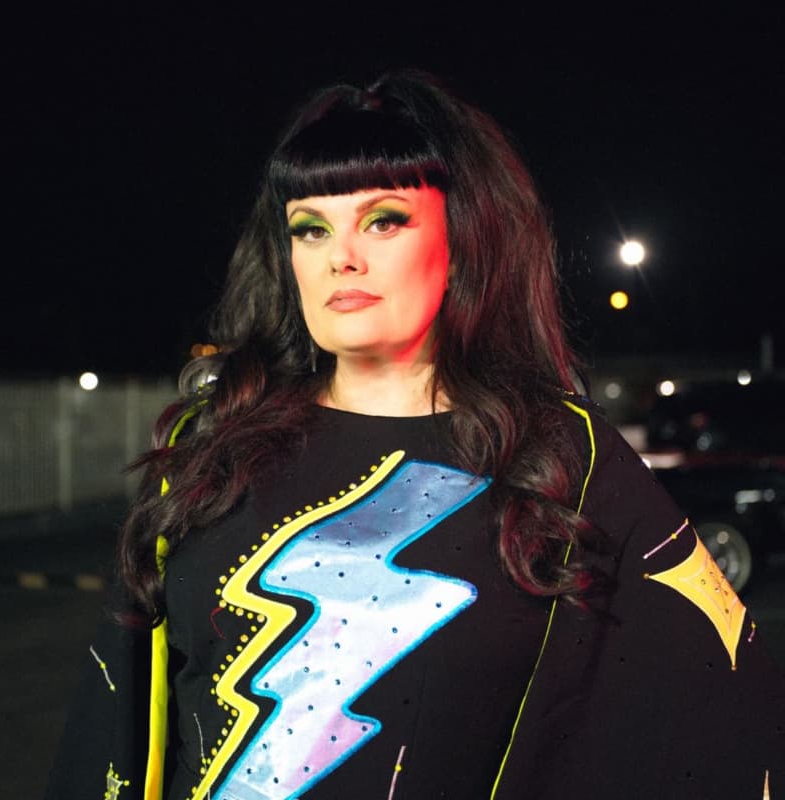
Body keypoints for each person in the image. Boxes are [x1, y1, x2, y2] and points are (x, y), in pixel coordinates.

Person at [46, 71, 783, 800]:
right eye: (311, 228)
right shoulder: (209, 449)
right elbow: (115, 727)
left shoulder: (564, 458)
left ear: (463, 239)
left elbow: (722, 716)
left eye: (384, 220)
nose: (341, 256)